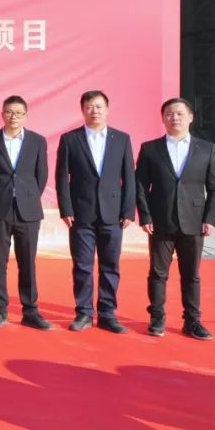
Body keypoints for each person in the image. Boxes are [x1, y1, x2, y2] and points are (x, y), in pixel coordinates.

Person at [135, 98, 215, 340]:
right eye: (169, 114)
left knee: (191, 274)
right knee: (158, 273)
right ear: (163, 118)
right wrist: (145, 215)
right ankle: (157, 318)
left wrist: (210, 219)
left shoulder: (206, 149)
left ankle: (192, 321)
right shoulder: (150, 149)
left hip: (194, 221)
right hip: (160, 221)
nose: (175, 118)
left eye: (180, 114)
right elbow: (140, 185)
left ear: (190, 118)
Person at [56, 90, 136, 333]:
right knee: (82, 266)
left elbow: (129, 177)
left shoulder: (121, 139)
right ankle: (83, 313)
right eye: (89, 106)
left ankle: (107, 313)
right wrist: (66, 208)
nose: (94, 111)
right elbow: (62, 177)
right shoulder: (70, 139)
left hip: (113, 213)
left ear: (107, 109)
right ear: (82, 110)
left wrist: (128, 210)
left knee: (110, 265)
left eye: (99, 106)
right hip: (81, 213)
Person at [0, 96, 52, 330]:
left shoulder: (37, 141)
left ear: (26, 116)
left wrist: (27, 196)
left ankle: (30, 311)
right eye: (9, 112)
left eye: (18, 113)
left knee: (27, 262)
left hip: (28, 211)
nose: (13, 116)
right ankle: (0, 310)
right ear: (2, 114)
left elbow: (41, 176)